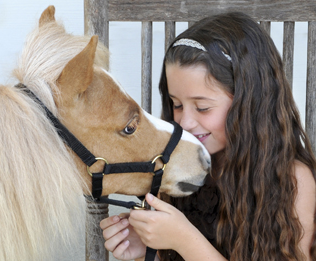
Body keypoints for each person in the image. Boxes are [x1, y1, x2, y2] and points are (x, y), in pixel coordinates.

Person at [100, 12, 316, 261]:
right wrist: (148, 249)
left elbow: (186, 244)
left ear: (249, 106)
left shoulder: (293, 182)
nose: (185, 122)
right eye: (176, 105)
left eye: (202, 107)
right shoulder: (177, 168)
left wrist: (183, 239)